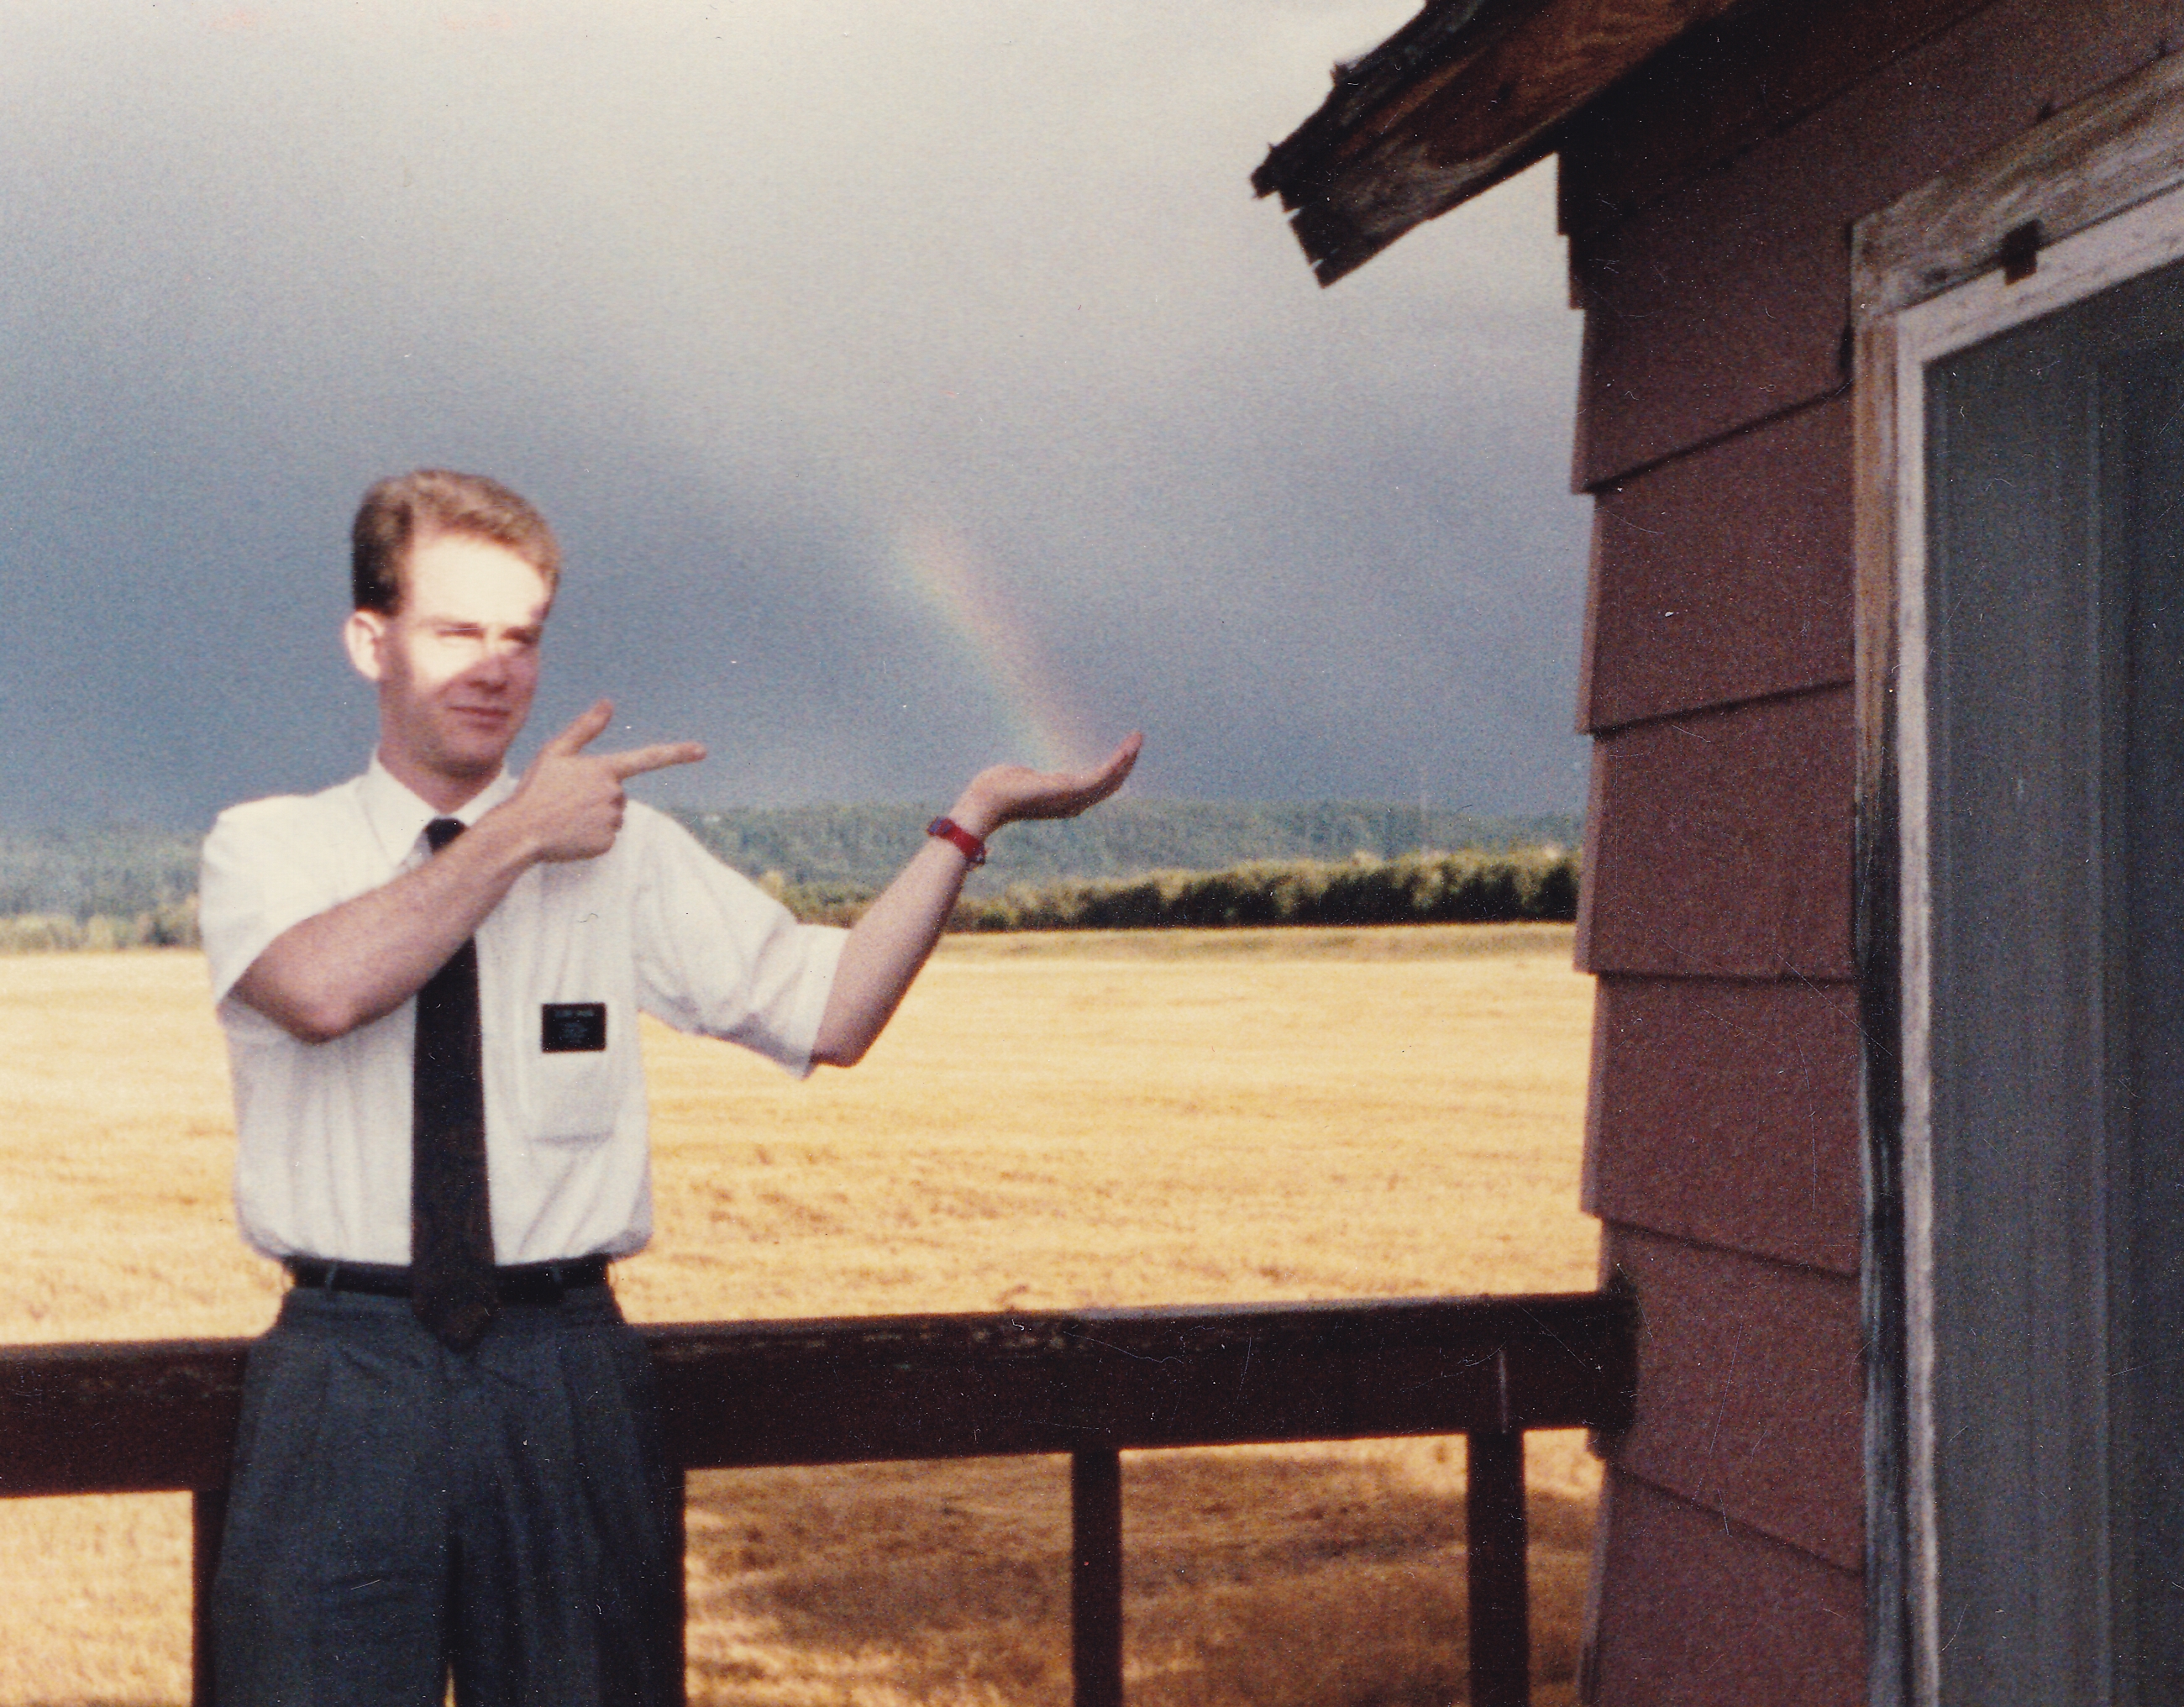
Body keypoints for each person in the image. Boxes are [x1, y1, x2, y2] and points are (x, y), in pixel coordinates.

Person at [197, 468, 1140, 1706]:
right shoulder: (268, 846)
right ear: (370, 641)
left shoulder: (623, 854)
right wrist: (521, 832)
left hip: (564, 1371)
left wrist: (968, 823)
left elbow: (832, 1009)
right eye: (456, 632)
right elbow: (323, 991)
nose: (494, 667)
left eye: (522, 638)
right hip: (344, 1372)